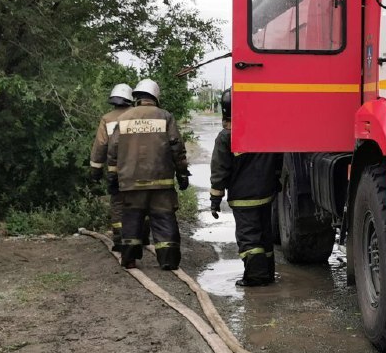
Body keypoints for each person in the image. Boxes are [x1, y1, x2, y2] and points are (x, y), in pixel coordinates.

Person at [106, 79, 190, 270]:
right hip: (161, 183)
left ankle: (129, 260)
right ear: (155, 97)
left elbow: (113, 150)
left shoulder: (124, 118)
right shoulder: (165, 117)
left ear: (137, 97)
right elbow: (176, 147)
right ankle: (168, 260)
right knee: (164, 218)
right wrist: (182, 173)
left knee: (132, 219)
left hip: (131, 182)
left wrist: (112, 177)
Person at [210, 89, 281, 286]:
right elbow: (277, 160)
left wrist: (215, 199)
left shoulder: (226, 137)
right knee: (265, 236)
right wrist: (275, 182)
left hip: (243, 198)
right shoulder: (265, 130)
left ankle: (256, 277)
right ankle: (267, 274)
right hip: (266, 195)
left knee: (249, 238)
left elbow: (219, 171)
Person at [89, 84, 133, 251]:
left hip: (117, 171)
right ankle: (142, 237)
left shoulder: (107, 119)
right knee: (140, 204)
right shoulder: (137, 115)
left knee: (117, 204)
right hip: (139, 168)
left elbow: (100, 145)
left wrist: (96, 170)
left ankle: (120, 240)